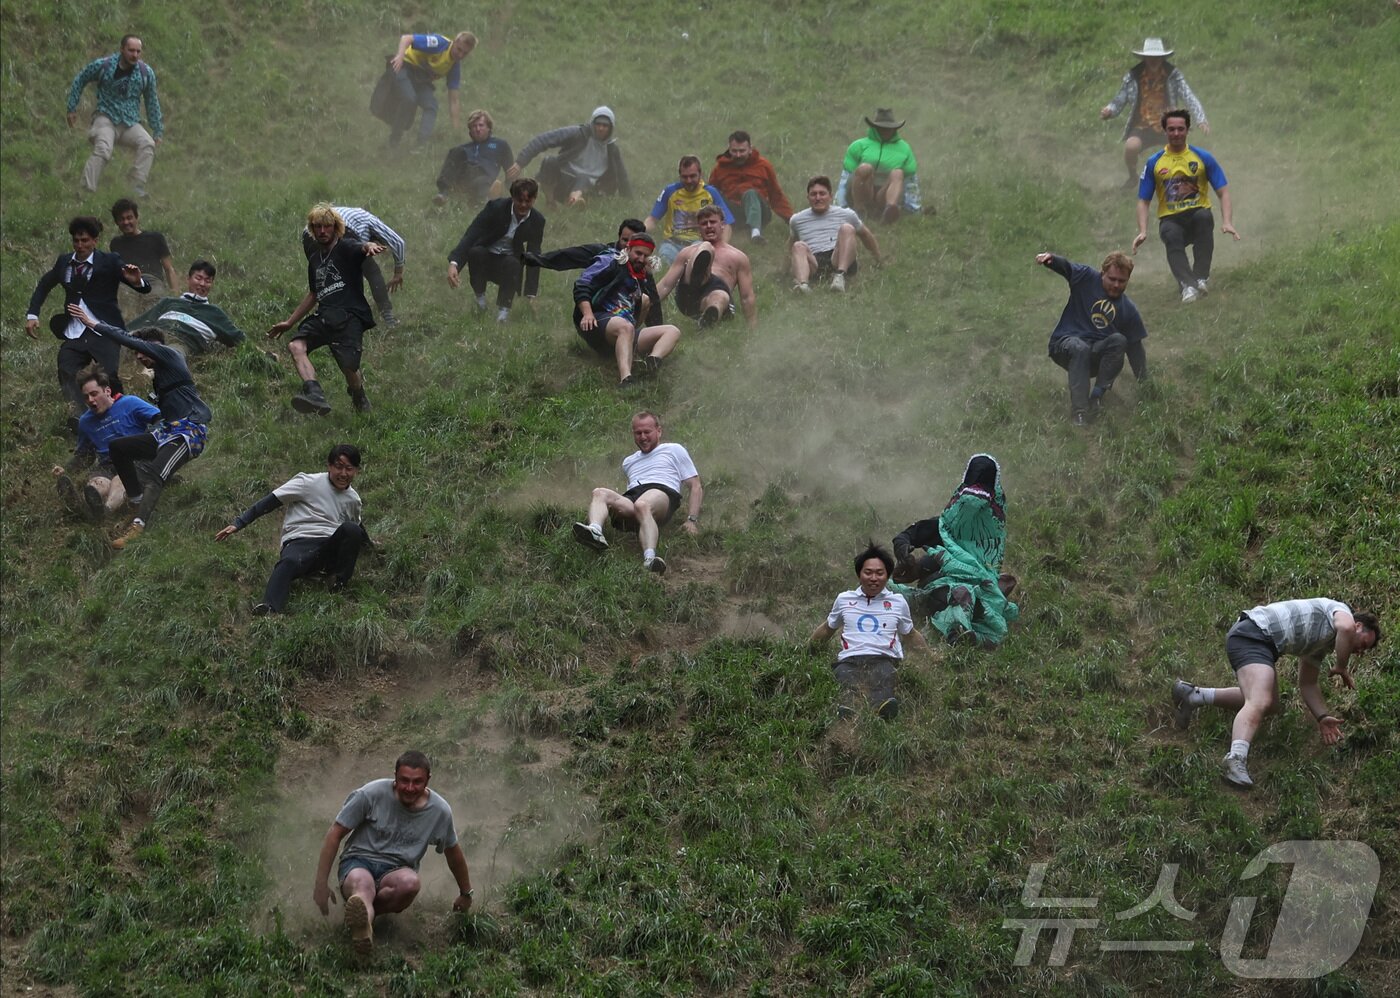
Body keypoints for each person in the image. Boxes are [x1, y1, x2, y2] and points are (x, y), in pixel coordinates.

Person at [1172, 599, 1382, 788]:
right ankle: (1234, 759)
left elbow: (1308, 684)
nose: (1360, 651)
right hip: (1254, 634)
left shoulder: (1323, 643)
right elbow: (1345, 628)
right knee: (1260, 700)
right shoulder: (1341, 613)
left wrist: (1323, 716)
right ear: (1358, 626)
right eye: (1363, 644)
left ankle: (1193, 695)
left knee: (1269, 704)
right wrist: (1341, 666)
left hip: (1260, 642)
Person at [66, 306, 212, 550]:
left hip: (189, 431)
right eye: (136, 354)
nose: (140, 357)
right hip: (168, 431)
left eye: (141, 351)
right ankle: (136, 500)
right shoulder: (161, 375)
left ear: (153, 345)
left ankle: (138, 526)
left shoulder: (168, 354)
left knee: (156, 474)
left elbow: (126, 338)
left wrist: (94, 325)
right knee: (119, 447)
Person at [312, 751, 474, 954]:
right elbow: (335, 834)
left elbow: (453, 852)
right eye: (404, 780)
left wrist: (465, 893)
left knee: (411, 883)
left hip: (397, 870)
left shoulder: (439, 811)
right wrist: (321, 885)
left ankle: (362, 920)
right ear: (395, 776)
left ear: (428, 780)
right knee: (364, 885)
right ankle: (363, 926)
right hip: (359, 862)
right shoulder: (370, 794)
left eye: (417, 782)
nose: (410, 788)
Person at [214, 443, 371, 615]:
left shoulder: (353, 499)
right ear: (329, 465)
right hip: (300, 543)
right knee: (289, 562)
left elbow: (357, 527)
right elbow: (271, 501)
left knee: (351, 529)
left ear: (356, 471)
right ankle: (270, 608)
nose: (343, 474)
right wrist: (239, 523)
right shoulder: (308, 482)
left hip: (328, 546)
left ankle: (338, 584)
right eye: (338, 467)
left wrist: (371, 548)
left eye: (349, 468)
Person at [890, 455, 1020, 649]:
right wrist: (905, 554)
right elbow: (906, 537)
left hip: (979, 587)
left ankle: (967, 631)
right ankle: (957, 629)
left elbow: (985, 573)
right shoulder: (946, 527)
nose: (973, 506)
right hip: (942, 585)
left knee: (995, 586)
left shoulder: (988, 536)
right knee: (963, 593)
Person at [268, 203, 386, 416]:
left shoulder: (346, 246)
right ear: (312, 230)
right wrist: (289, 322)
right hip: (325, 316)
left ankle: (358, 394)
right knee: (296, 346)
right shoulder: (314, 259)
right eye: (317, 227)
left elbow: (361, 247)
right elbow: (313, 294)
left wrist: (369, 246)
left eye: (327, 226)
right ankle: (315, 394)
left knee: (349, 368)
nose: (322, 231)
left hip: (350, 316)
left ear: (336, 227)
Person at [25, 216, 150, 413]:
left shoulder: (109, 261)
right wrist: (33, 314)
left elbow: (142, 288)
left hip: (103, 329)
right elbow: (44, 285)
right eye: (76, 240)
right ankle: (82, 414)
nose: (80, 245)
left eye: (84, 240)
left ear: (94, 241)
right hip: (75, 331)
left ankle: (119, 413)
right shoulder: (64, 262)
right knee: (66, 370)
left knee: (109, 376)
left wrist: (137, 282)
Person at [572, 410, 702, 575]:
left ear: (659, 431)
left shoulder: (673, 450)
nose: (642, 437)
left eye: (647, 432)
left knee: (642, 504)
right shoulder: (629, 461)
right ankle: (595, 531)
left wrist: (691, 520)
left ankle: (650, 558)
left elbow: (695, 485)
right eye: (638, 433)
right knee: (599, 492)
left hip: (662, 492)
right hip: (634, 495)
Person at [811, 543, 930, 720]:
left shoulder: (897, 602)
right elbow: (828, 628)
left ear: (887, 575)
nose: (873, 578)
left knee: (884, 675)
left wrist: (930, 656)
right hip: (850, 659)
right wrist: (809, 649)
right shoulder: (844, 599)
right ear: (859, 574)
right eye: (868, 572)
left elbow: (910, 633)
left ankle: (882, 708)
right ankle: (849, 709)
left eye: (879, 573)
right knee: (845, 677)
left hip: (883, 658)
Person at [1133, 109, 1239, 303]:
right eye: (1171, 129)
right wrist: (1142, 231)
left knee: (1204, 218)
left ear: (1188, 130)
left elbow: (1223, 192)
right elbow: (1143, 201)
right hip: (1171, 219)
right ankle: (1187, 285)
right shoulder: (1154, 162)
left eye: (1180, 129)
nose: (1176, 134)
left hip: (1198, 213)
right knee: (1171, 234)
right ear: (1164, 131)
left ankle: (1200, 278)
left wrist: (1227, 222)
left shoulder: (1203, 157)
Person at [1036, 250, 1148, 426]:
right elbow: (1067, 268)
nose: (1116, 285)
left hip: (1095, 355)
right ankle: (1079, 413)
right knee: (1079, 348)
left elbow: (1136, 351)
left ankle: (1096, 398)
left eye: (1122, 281)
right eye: (1112, 279)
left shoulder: (1128, 310)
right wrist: (1051, 260)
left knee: (1119, 340)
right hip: (1064, 344)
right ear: (1102, 273)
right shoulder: (1086, 277)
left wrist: (1146, 385)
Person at [573, 233, 682, 388]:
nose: (641, 259)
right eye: (638, 253)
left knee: (672, 331)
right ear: (628, 249)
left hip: (625, 329)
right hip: (598, 321)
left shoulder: (643, 274)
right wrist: (587, 313)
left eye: (646, 255)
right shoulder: (611, 261)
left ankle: (651, 362)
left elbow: (654, 303)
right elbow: (582, 285)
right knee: (626, 326)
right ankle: (626, 379)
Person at [1100, 38, 1209, 187]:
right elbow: (1120, 98)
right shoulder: (1134, 76)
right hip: (1142, 124)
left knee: (1179, 152)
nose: (1154, 61)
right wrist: (1109, 111)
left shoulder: (1173, 75)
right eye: (1150, 58)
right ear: (1145, 58)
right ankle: (1133, 177)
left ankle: (1181, 182)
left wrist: (1201, 119)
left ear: (1162, 58)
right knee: (1131, 147)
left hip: (1166, 124)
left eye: (1157, 58)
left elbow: (1188, 96)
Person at [52, 371, 160, 519]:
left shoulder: (129, 403)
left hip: (134, 460)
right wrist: (66, 470)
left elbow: (159, 419)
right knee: (96, 484)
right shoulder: (85, 422)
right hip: (106, 465)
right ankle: (81, 505)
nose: (90, 400)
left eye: (94, 394)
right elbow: (84, 456)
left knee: (120, 479)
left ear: (107, 391)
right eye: (86, 397)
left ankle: (105, 512)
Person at [66, 35, 163, 196]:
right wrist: (72, 108)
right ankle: (85, 190)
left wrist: (157, 129)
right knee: (103, 149)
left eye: (138, 51)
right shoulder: (104, 65)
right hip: (105, 118)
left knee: (147, 144)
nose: (135, 55)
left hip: (130, 123)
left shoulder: (146, 73)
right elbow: (80, 79)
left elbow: (151, 102)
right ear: (122, 49)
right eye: (131, 50)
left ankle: (136, 186)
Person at [446, 178, 545, 324]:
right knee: (476, 252)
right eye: (519, 200)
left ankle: (503, 314)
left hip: (509, 263)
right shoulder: (495, 207)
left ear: (534, 199)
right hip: (485, 257)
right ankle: (480, 302)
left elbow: (533, 254)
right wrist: (455, 263)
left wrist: (531, 293)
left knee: (513, 263)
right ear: (512, 197)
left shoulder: (537, 220)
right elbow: (472, 233)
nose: (523, 205)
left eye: (528, 201)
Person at [301, 206, 406, 328]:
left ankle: (328, 319)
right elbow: (398, 242)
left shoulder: (347, 217)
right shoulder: (368, 219)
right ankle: (388, 317)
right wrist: (398, 273)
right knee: (372, 271)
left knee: (325, 279)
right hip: (340, 230)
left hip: (310, 235)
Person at [655, 205, 756, 329]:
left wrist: (752, 328)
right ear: (699, 229)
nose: (708, 226)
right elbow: (666, 284)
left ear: (722, 225)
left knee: (721, 296)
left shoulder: (738, 257)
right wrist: (646, 303)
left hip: (718, 296)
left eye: (713, 222)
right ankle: (699, 275)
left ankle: (708, 322)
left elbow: (747, 296)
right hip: (689, 294)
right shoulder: (687, 252)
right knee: (706, 247)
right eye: (704, 223)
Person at [507, 107, 630, 206]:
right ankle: (551, 202)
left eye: (605, 125)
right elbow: (544, 139)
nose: (601, 128)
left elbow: (622, 175)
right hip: (564, 178)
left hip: (592, 187)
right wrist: (520, 162)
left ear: (610, 128)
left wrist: (628, 200)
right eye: (598, 124)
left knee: (584, 179)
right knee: (550, 162)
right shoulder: (578, 134)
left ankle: (575, 201)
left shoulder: (612, 149)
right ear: (592, 123)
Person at [125, 260, 246, 354]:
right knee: (119, 340)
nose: (202, 284)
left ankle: (150, 372)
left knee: (171, 354)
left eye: (207, 280)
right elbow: (142, 322)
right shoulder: (169, 302)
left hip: (180, 342)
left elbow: (239, 339)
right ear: (188, 279)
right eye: (198, 278)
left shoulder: (215, 313)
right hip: (154, 335)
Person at [789, 176, 881, 293]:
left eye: (822, 194)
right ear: (808, 198)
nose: (818, 198)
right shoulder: (797, 220)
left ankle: (840, 276)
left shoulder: (847, 214)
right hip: (814, 262)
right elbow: (791, 245)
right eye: (813, 194)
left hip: (838, 256)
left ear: (830, 196)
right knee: (798, 245)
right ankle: (803, 285)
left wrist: (878, 259)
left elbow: (866, 235)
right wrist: (783, 269)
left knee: (847, 228)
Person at [384, 31, 475, 147]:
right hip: (404, 68)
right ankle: (394, 141)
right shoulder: (439, 43)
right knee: (409, 99)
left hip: (420, 80)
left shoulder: (454, 66)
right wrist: (400, 56)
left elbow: (454, 100)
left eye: (465, 53)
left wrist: (455, 131)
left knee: (432, 106)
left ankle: (420, 146)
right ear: (455, 42)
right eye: (459, 49)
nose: (460, 55)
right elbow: (406, 38)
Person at [644, 155, 735, 266]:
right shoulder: (670, 191)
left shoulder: (711, 193)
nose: (689, 180)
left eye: (692, 176)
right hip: (672, 243)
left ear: (700, 174)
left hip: (699, 243)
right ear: (679, 175)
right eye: (684, 177)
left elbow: (727, 224)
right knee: (662, 265)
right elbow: (652, 220)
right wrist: (638, 231)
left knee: (696, 266)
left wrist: (721, 248)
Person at [835, 108, 922, 224]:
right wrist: (839, 206)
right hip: (863, 190)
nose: (885, 131)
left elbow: (910, 181)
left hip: (884, 193)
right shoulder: (858, 146)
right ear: (874, 128)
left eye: (888, 128)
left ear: (894, 129)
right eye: (881, 128)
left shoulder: (904, 148)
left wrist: (913, 208)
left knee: (898, 173)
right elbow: (845, 178)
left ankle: (890, 209)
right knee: (865, 168)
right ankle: (859, 210)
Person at [708, 130, 793, 244]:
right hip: (734, 213)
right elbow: (710, 196)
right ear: (729, 149)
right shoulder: (719, 169)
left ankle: (755, 233)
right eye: (734, 151)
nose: (738, 155)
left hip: (760, 212)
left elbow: (776, 195)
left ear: (750, 149)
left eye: (742, 151)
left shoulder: (763, 166)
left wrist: (792, 220)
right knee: (712, 192)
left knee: (750, 194)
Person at [433, 109, 513, 205]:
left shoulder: (500, 145)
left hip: (485, 177)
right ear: (470, 131)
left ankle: (486, 201)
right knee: (456, 151)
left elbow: (511, 170)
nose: (478, 129)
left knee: (482, 183)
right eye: (474, 126)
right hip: (464, 177)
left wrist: (511, 191)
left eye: (481, 125)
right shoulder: (463, 148)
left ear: (489, 127)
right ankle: (443, 194)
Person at [109, 198, 177, 309]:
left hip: (152, 281)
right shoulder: (115, 243)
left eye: (129, 218)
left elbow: (169, 269)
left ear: (136, 218)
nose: (126, 222)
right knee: (124, 309)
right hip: (127, 284)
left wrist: (175, 293)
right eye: (121, 219)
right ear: (117, 222)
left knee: (154, 308)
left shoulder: (155, 238)